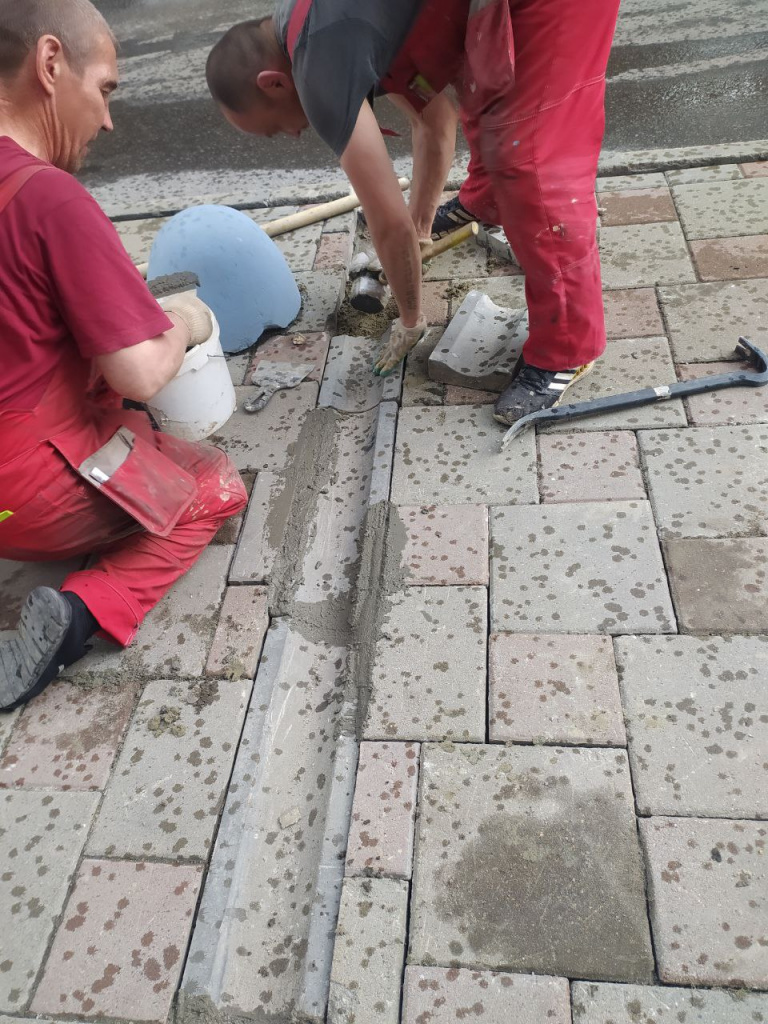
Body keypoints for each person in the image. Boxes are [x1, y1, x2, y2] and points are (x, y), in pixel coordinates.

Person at [0, 0, 247, 712]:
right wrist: (184, 323)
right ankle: (78, 619)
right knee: (209, 486)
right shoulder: (49, 200)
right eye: (105, 88)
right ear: (50, 65)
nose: (108, 120)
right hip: (20, 492)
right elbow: (136, 371)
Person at [206, 0, 620, 424]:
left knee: (529, 162)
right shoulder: (322, 20)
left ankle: (568, 351)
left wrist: (409, 317)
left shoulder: (319, 70)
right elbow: (435, 121)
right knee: (489, 94)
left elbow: (389, 226)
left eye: (276, 127)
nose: (294, 135)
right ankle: (490, 197)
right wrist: (421, 228)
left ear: (273, 83)